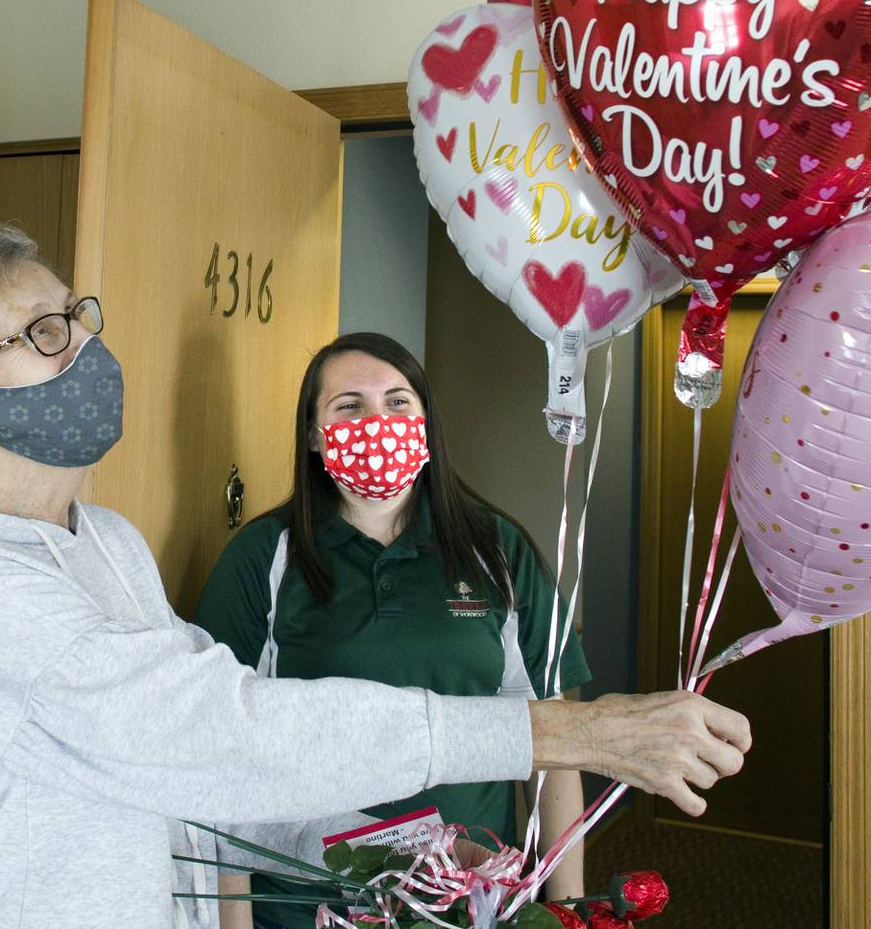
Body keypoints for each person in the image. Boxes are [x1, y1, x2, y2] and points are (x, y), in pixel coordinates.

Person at [0, 226, 751, 929]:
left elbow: (199, 791)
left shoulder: (107, 542)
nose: (84, 345)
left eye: (78, 316)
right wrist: (563, 730)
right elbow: (220, 734)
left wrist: (390, 856)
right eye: (44, 334)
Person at [194, 333, 593, 929]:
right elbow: (216, 759)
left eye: (397, 401)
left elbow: (556, 746)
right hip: (305, 907)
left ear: (426, 421)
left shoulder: (495, 549)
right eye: (349, 405)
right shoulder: (263, 557)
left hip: (468, 902)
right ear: (313, 434)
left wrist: (569, 910)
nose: (376, 420)